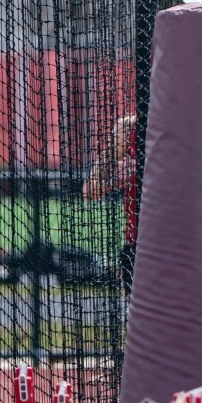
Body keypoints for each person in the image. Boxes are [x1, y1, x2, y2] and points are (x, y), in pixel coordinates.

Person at [82, 114, 140, 285]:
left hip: (187, 243)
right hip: (138, 246)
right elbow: (89, 190)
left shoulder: (193, 125)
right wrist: (117, 178)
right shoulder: (127, 126)